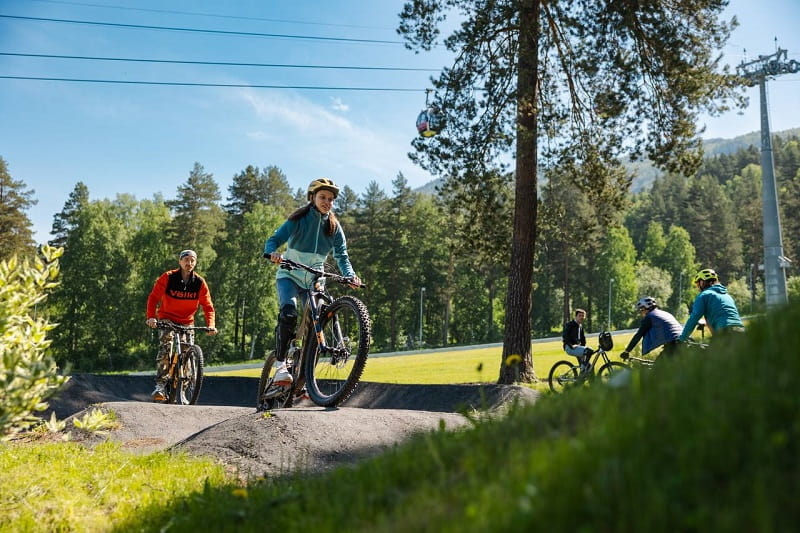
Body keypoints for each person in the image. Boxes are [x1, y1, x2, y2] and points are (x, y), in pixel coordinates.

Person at [263, 178, 361, 386]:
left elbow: (342, 255)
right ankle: (280, 365)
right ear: (312, 198)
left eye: (331, 199)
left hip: (315, 279)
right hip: (289, 276)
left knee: (318, 324)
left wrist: (350, 275)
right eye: (322, 197)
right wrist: (272, 253)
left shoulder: (334, 227)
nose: (327, 202)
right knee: (289, 314)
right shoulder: (299, 218)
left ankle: (306, 378)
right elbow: (274, 240)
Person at [145, 249, 217, 401]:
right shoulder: (168, 277)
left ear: (195, 263)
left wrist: (211, 325)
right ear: (180, 261)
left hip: (187, 321)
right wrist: (151, 317)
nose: (189, 263)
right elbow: (153, 298)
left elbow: (208, 306)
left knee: (188, 352)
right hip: (167, 319)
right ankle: (161, 386)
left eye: (192, 260)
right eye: (186, 260)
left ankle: (183, 388)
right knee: (167, 345)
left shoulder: (199, 282)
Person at [678, 268, 745, 342]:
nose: (698, 287)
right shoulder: (727, 296)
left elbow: (694, 317)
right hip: (741, 331)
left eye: (698, 284)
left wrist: (682, 339)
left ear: (702, 282)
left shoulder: (704, 295)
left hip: (724, 333)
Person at [620, 297, 682, 361]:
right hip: (685, 340)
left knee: (657, 369)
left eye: (641, 309)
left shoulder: (649, 317)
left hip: (674, 345)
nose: (640, 312)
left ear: (646, 308)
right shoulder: (666, 313)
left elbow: (638, 335)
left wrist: (627, 351)